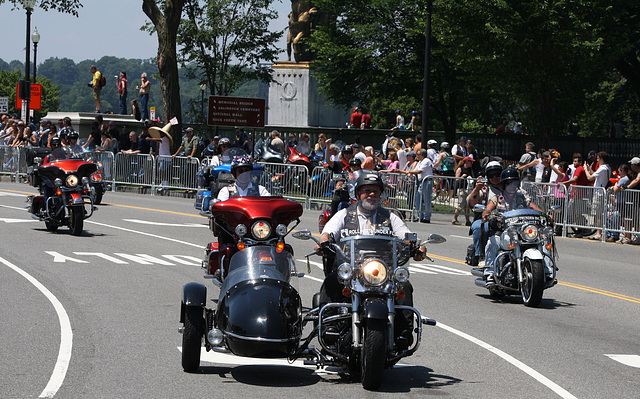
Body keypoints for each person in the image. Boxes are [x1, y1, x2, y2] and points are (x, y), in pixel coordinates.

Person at [316, 173, 426, 348]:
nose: (372, 195)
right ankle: (330, 327)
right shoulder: (344, 215)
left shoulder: (390, 217)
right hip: (352, 269)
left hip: (383, 270)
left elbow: (406, 236)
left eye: (376, 191)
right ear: (358, 194)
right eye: (367, 191)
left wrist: (416, 246)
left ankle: (404, 333)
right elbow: (327, 233)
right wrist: (323, 243)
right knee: (331, 281)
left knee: (404, 286)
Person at [482, 168, 542, 285]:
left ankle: (546, 270)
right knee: (493, 242)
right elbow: (488, 209)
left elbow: (534, 207)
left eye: (514, 182)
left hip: (521, 231)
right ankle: (489, 272)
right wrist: (486, 214)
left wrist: (544, 215)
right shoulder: (498, 198)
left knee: (540, 240)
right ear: (504, 184)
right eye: (509, 183)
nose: (512, 185)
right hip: (503, 231)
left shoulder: (522, 197)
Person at [467, 161, 503, 266]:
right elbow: (471, 203)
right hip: (484, 218)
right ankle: (481, 256)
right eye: (491, 175)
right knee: (481, 227)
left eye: (497, 174)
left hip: (506, 218)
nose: (495, 177)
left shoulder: (507, 186)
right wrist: (476, 189)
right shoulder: (484, 188)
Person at [584, 151, 611, 240]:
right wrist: (589, 169)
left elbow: (590, 178)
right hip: (601, 192)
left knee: (598, 213)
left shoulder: (602, 168)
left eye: (598, 158)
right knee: (599, 213)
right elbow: (595, 175)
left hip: (599, 193)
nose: (597, 160)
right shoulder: (607, 167)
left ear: (602, 159)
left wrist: (585, 169)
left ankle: (599, 233)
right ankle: (599, 232)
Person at [405, 148, 433, 223]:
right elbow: (414, 170)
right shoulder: (420, 162)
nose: (416, 156)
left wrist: (410, 172)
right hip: (421, 182)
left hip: (427, 181)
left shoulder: (426, 161)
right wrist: (406, 172)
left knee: (426, 200)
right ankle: (420, 216)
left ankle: (427, 217)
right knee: (417, 199)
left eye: (417, 154)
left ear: (421, 155)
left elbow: (420, 171)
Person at [452, 156, 477, 226]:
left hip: (468, 189)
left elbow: (473, 177)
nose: (471, 163)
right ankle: (454, 218)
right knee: (461, 205)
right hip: (461, 189)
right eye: (470, 161)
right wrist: (462, 177)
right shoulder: (460, 169)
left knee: (467, 206)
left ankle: (467, 220)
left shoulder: (470, 169)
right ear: (466, 161)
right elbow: (456, 180)